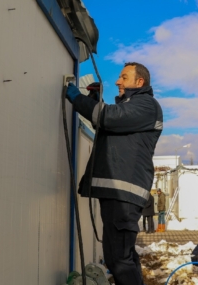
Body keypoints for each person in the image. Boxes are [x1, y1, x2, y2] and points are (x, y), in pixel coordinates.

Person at [65, 62, 163, 285]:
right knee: (121, 256)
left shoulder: (147, 105)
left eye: (124, 77)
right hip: (117, 193)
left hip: (124, 194)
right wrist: (93, 103)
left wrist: (76, 97)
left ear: (140, 82)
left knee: (119, 259)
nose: (118, 81)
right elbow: (108, 123)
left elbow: (109, 117)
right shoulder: (131, 107)